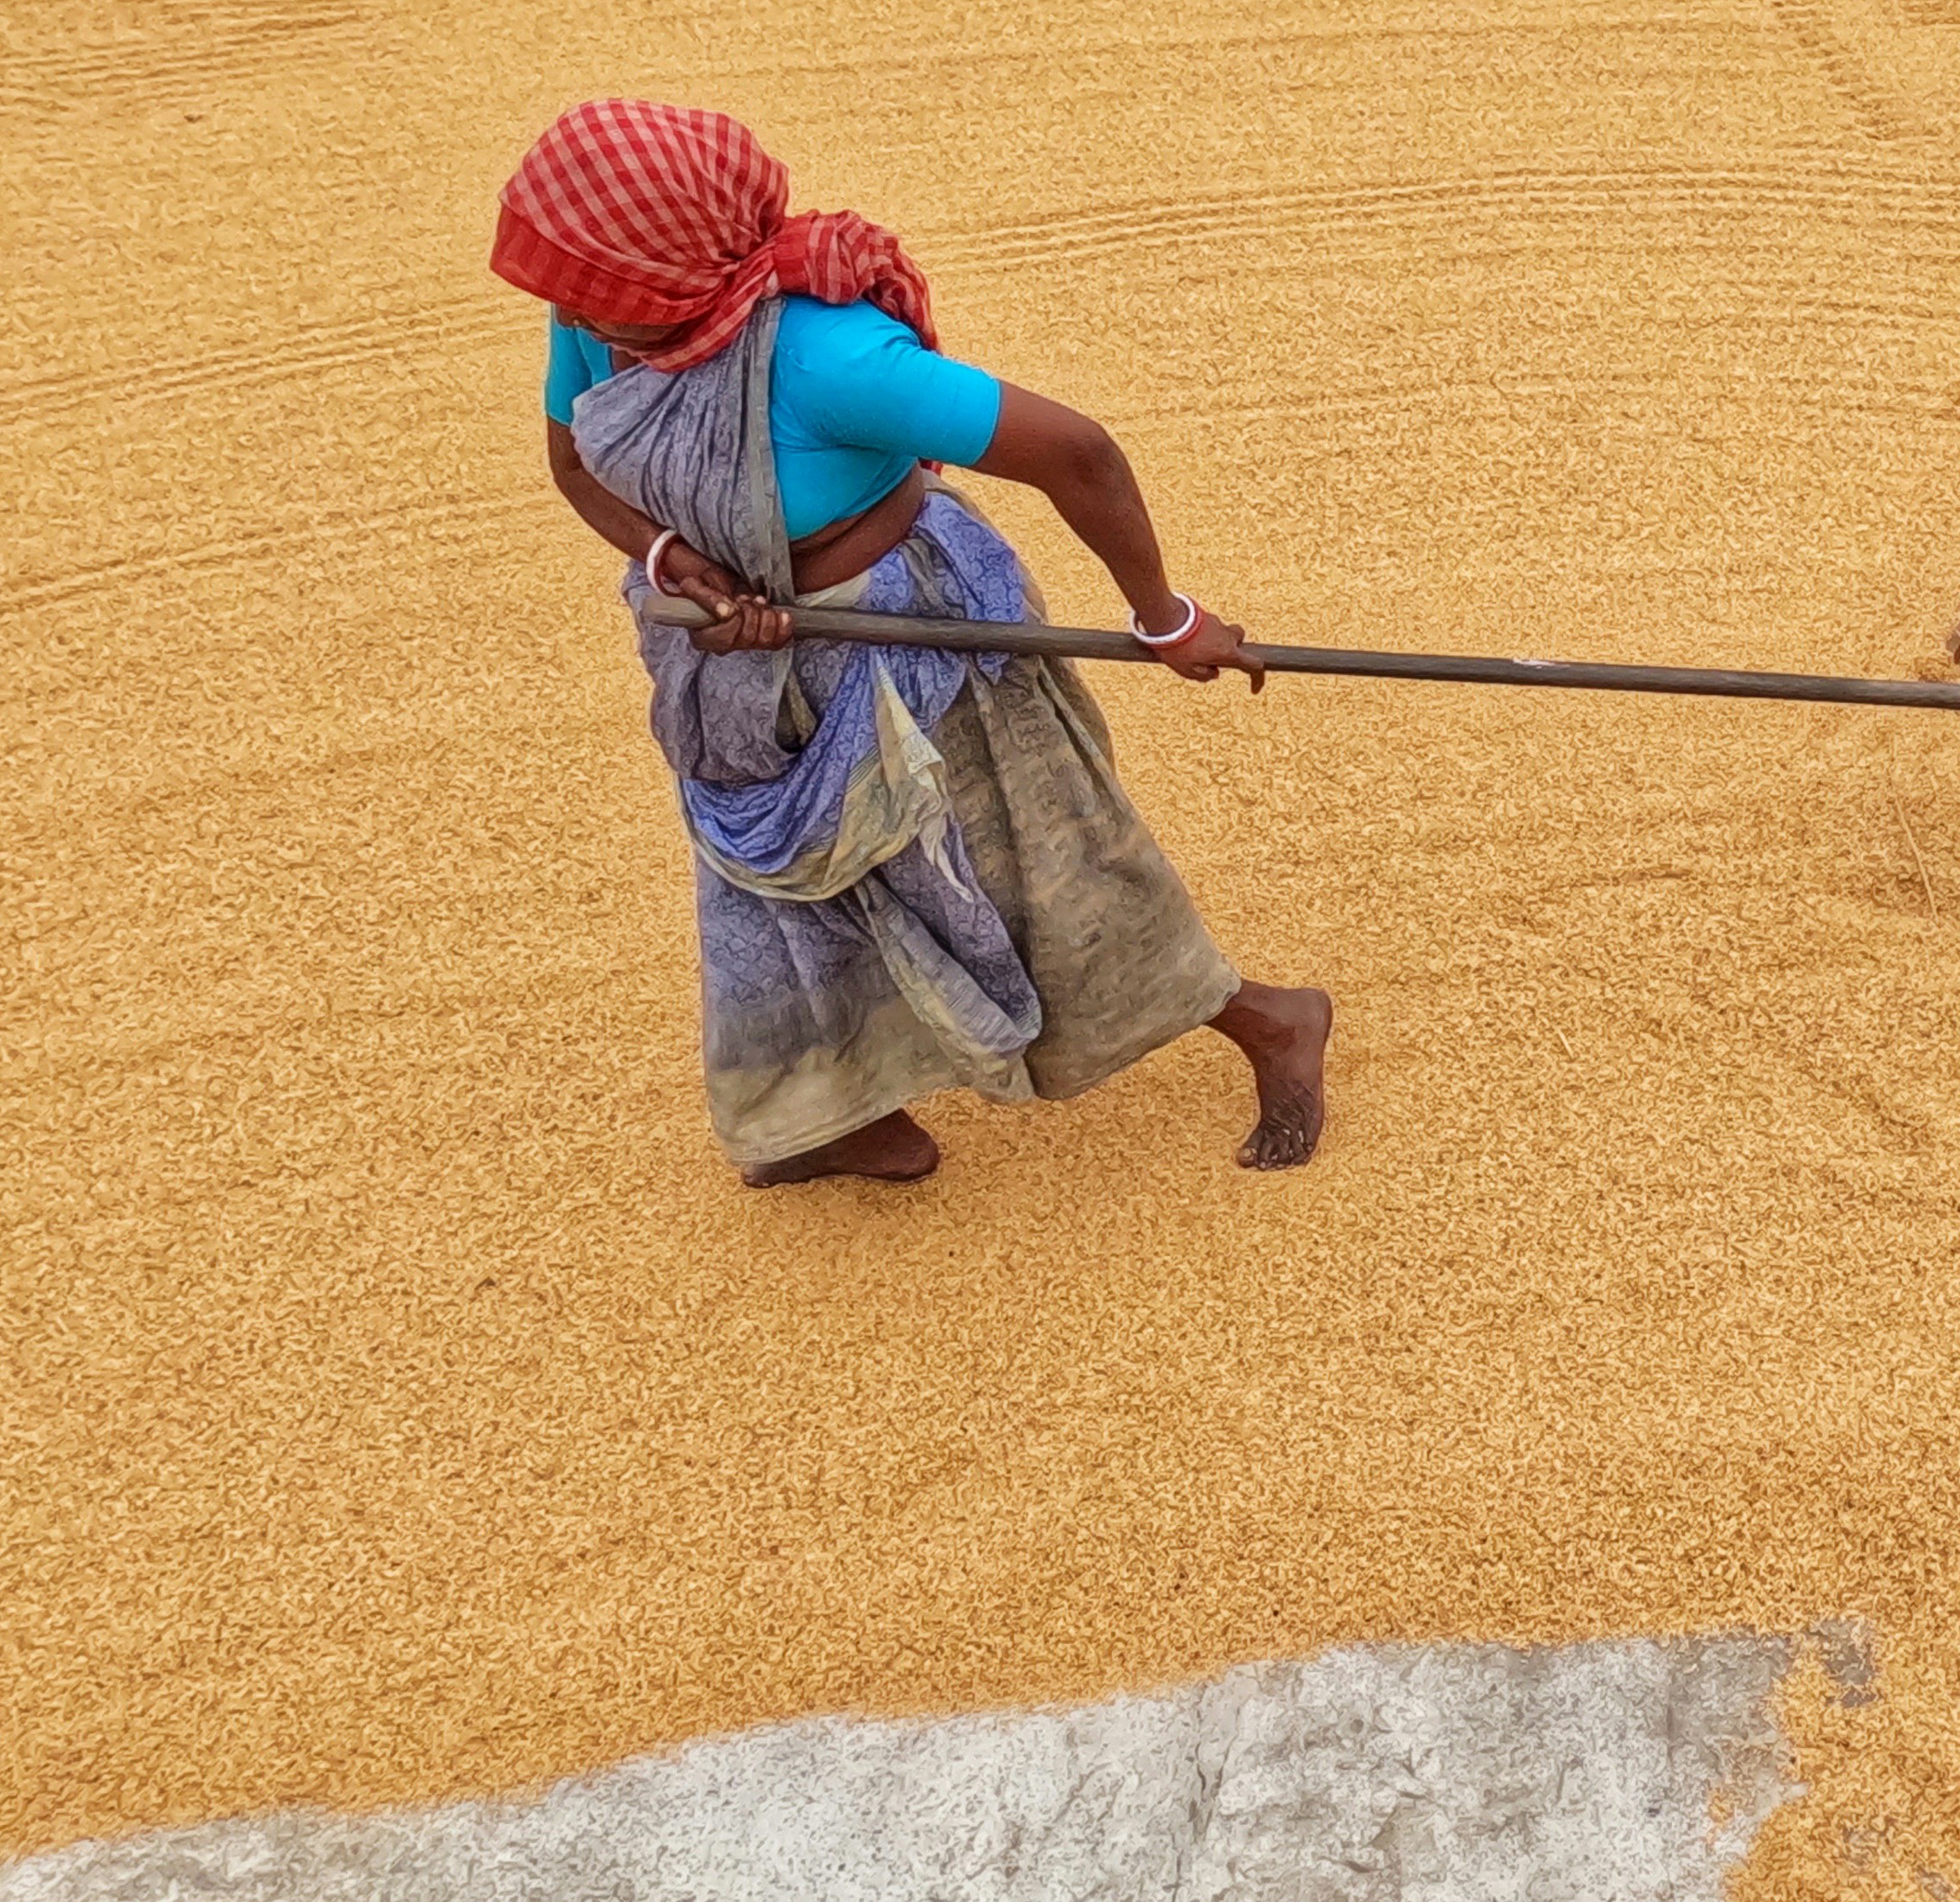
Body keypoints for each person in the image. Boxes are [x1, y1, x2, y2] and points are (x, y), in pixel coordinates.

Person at [492, 100, 1333, 1190]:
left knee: (1035, 869)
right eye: (570, 291)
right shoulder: (601, 312)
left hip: (916, 647)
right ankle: (845, 1113)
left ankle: (1269, 1020)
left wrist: (1164, 617)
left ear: (679, 276)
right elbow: (575, 470)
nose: (572, 315)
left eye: (599, 297)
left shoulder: (833, 359)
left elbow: (1078, 453)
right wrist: (668, 562)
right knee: (785, 905)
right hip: (738, 675)